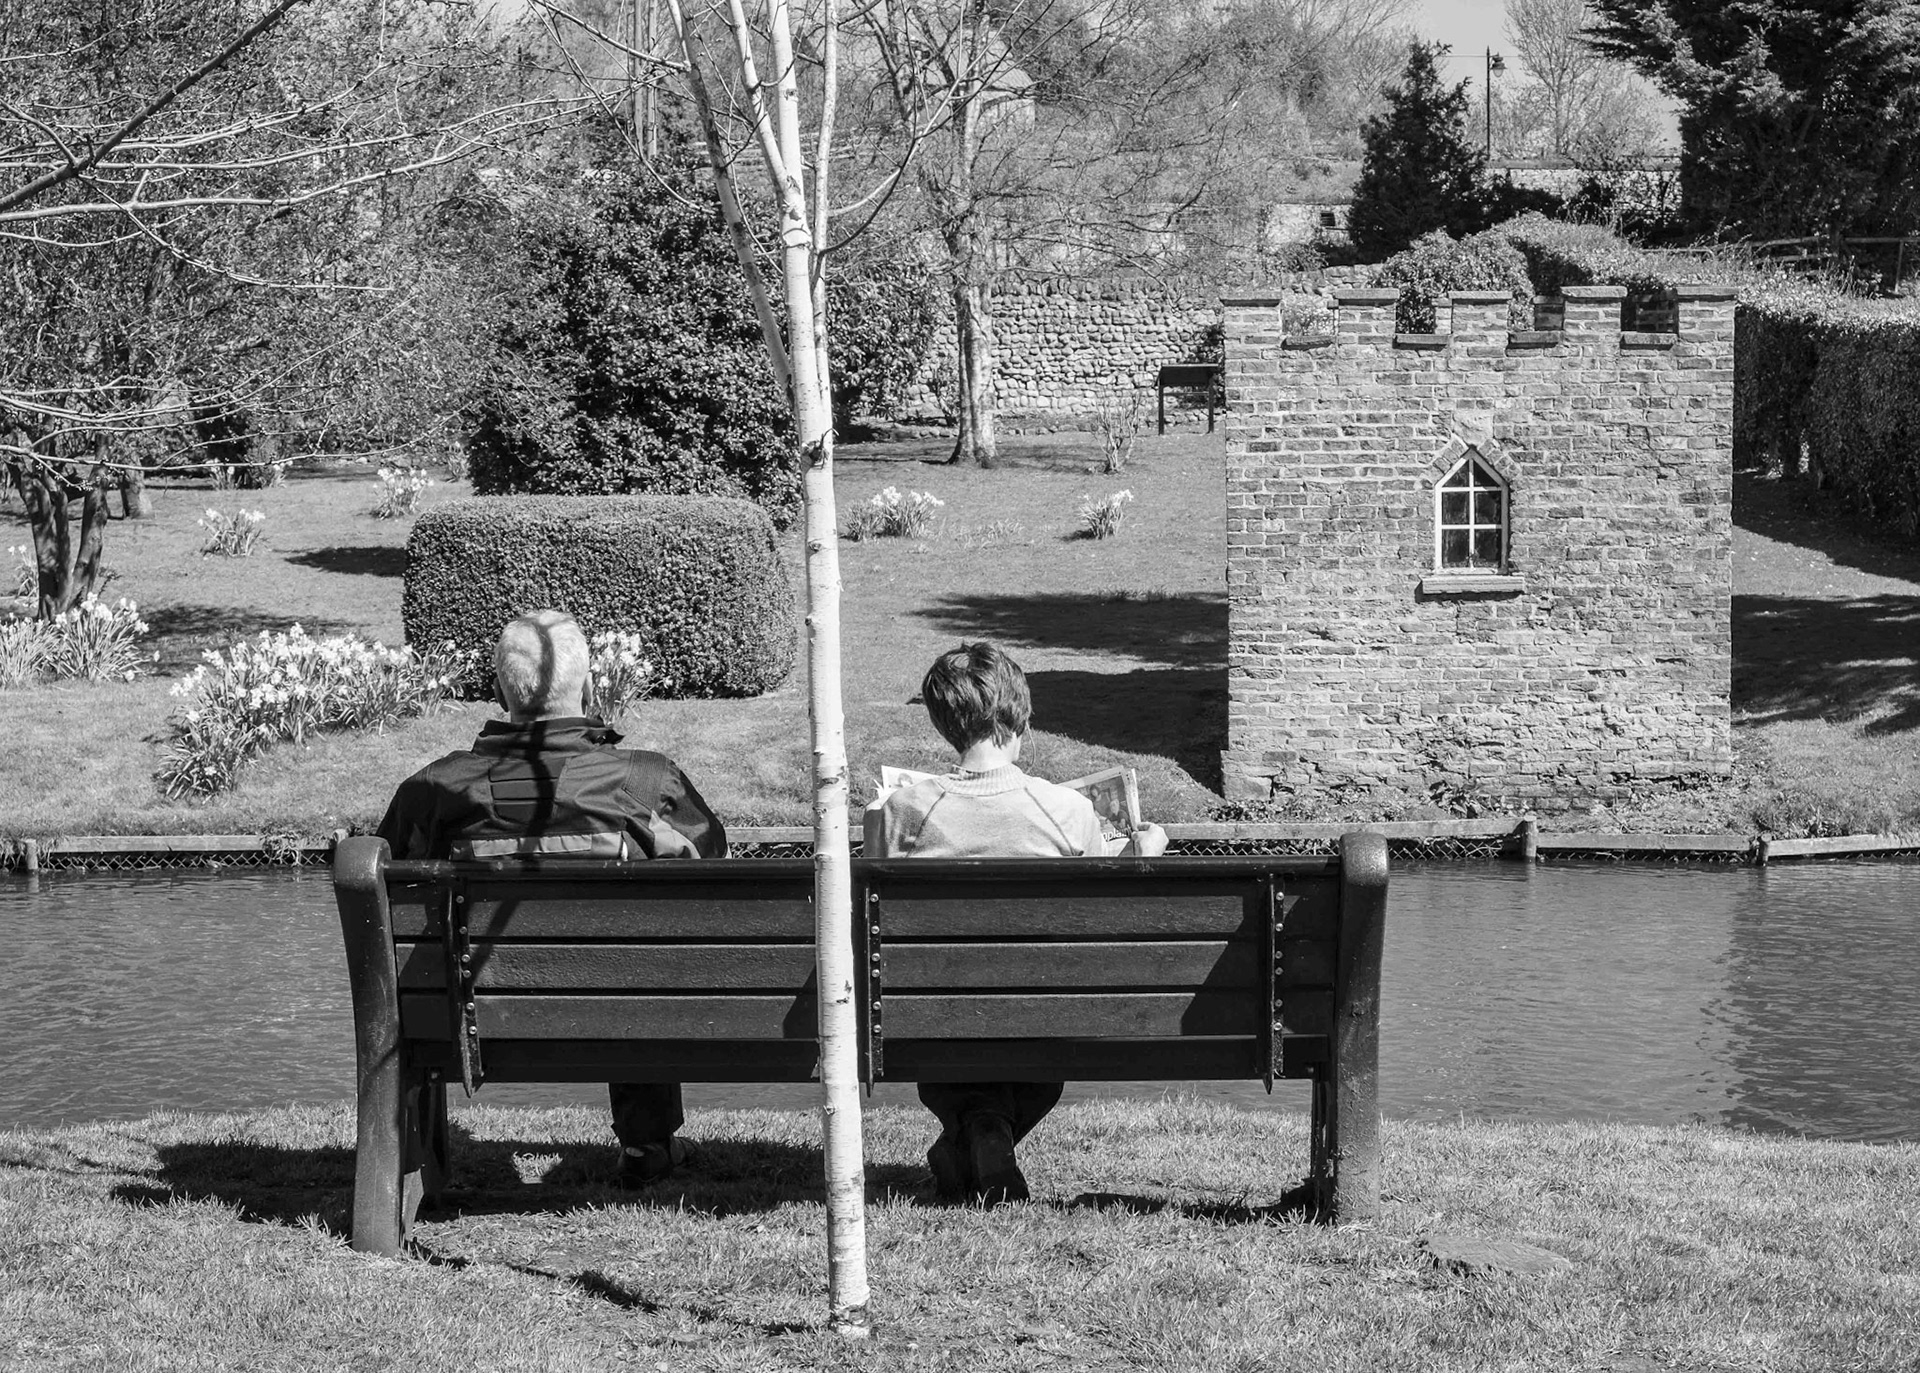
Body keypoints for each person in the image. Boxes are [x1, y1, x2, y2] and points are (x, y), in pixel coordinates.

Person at [376, 609, 725, 1188]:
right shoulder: (646, 783)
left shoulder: (436, 790)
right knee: (634, 954)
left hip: (474, 1016)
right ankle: (646, 1143)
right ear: (588, 688)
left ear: (500, 692)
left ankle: (413, 1154)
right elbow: (714, 872)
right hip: (631, 1012)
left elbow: (385, 887)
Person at [869, 640, 1167, 1204]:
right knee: (1033, 1020)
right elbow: (1107, 911)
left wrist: (874, 821)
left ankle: (980, 1128)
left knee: (959, 1025)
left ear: (942, 722)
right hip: (1046, 1013)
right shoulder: (1068, 810)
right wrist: (1142, 855)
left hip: (930, 1015)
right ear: (1020, 716)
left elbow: (870, 908)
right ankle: (987, 1130)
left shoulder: (902, 811)